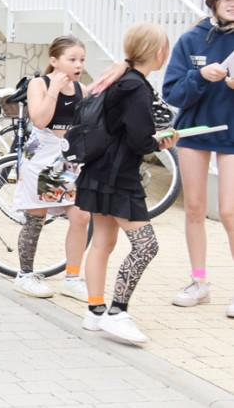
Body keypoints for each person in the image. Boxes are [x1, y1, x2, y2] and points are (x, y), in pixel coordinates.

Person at [78, 23, 180, 345]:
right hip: (119, 177)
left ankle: (95, 311)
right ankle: (117, 311)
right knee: (146, 246)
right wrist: (161, 141)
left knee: (102, 244)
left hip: (98, 171)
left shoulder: (118, 77)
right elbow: (139, 139)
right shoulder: (136, 87)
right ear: (157, 52)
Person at [162, 0, 234, 315]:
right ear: (213, 2)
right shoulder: (192, 39)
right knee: (193, 208)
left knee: (230, 212)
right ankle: (199, 281)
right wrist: (200, 76)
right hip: (193, 133)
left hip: (232, 134)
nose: (233, 4)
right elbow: (172, 92)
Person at [10, 35, 92, 300]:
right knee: (37, 217)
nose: (78, 65)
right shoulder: (39, 84)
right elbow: (41, 120)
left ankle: (71, 277)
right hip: (41, 156)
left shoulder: (84, 89)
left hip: (69, 159)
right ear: (54, 61)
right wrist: (55, 89)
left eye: (81, 60)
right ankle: (24, 276)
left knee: (81, 216)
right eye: (72, 59)